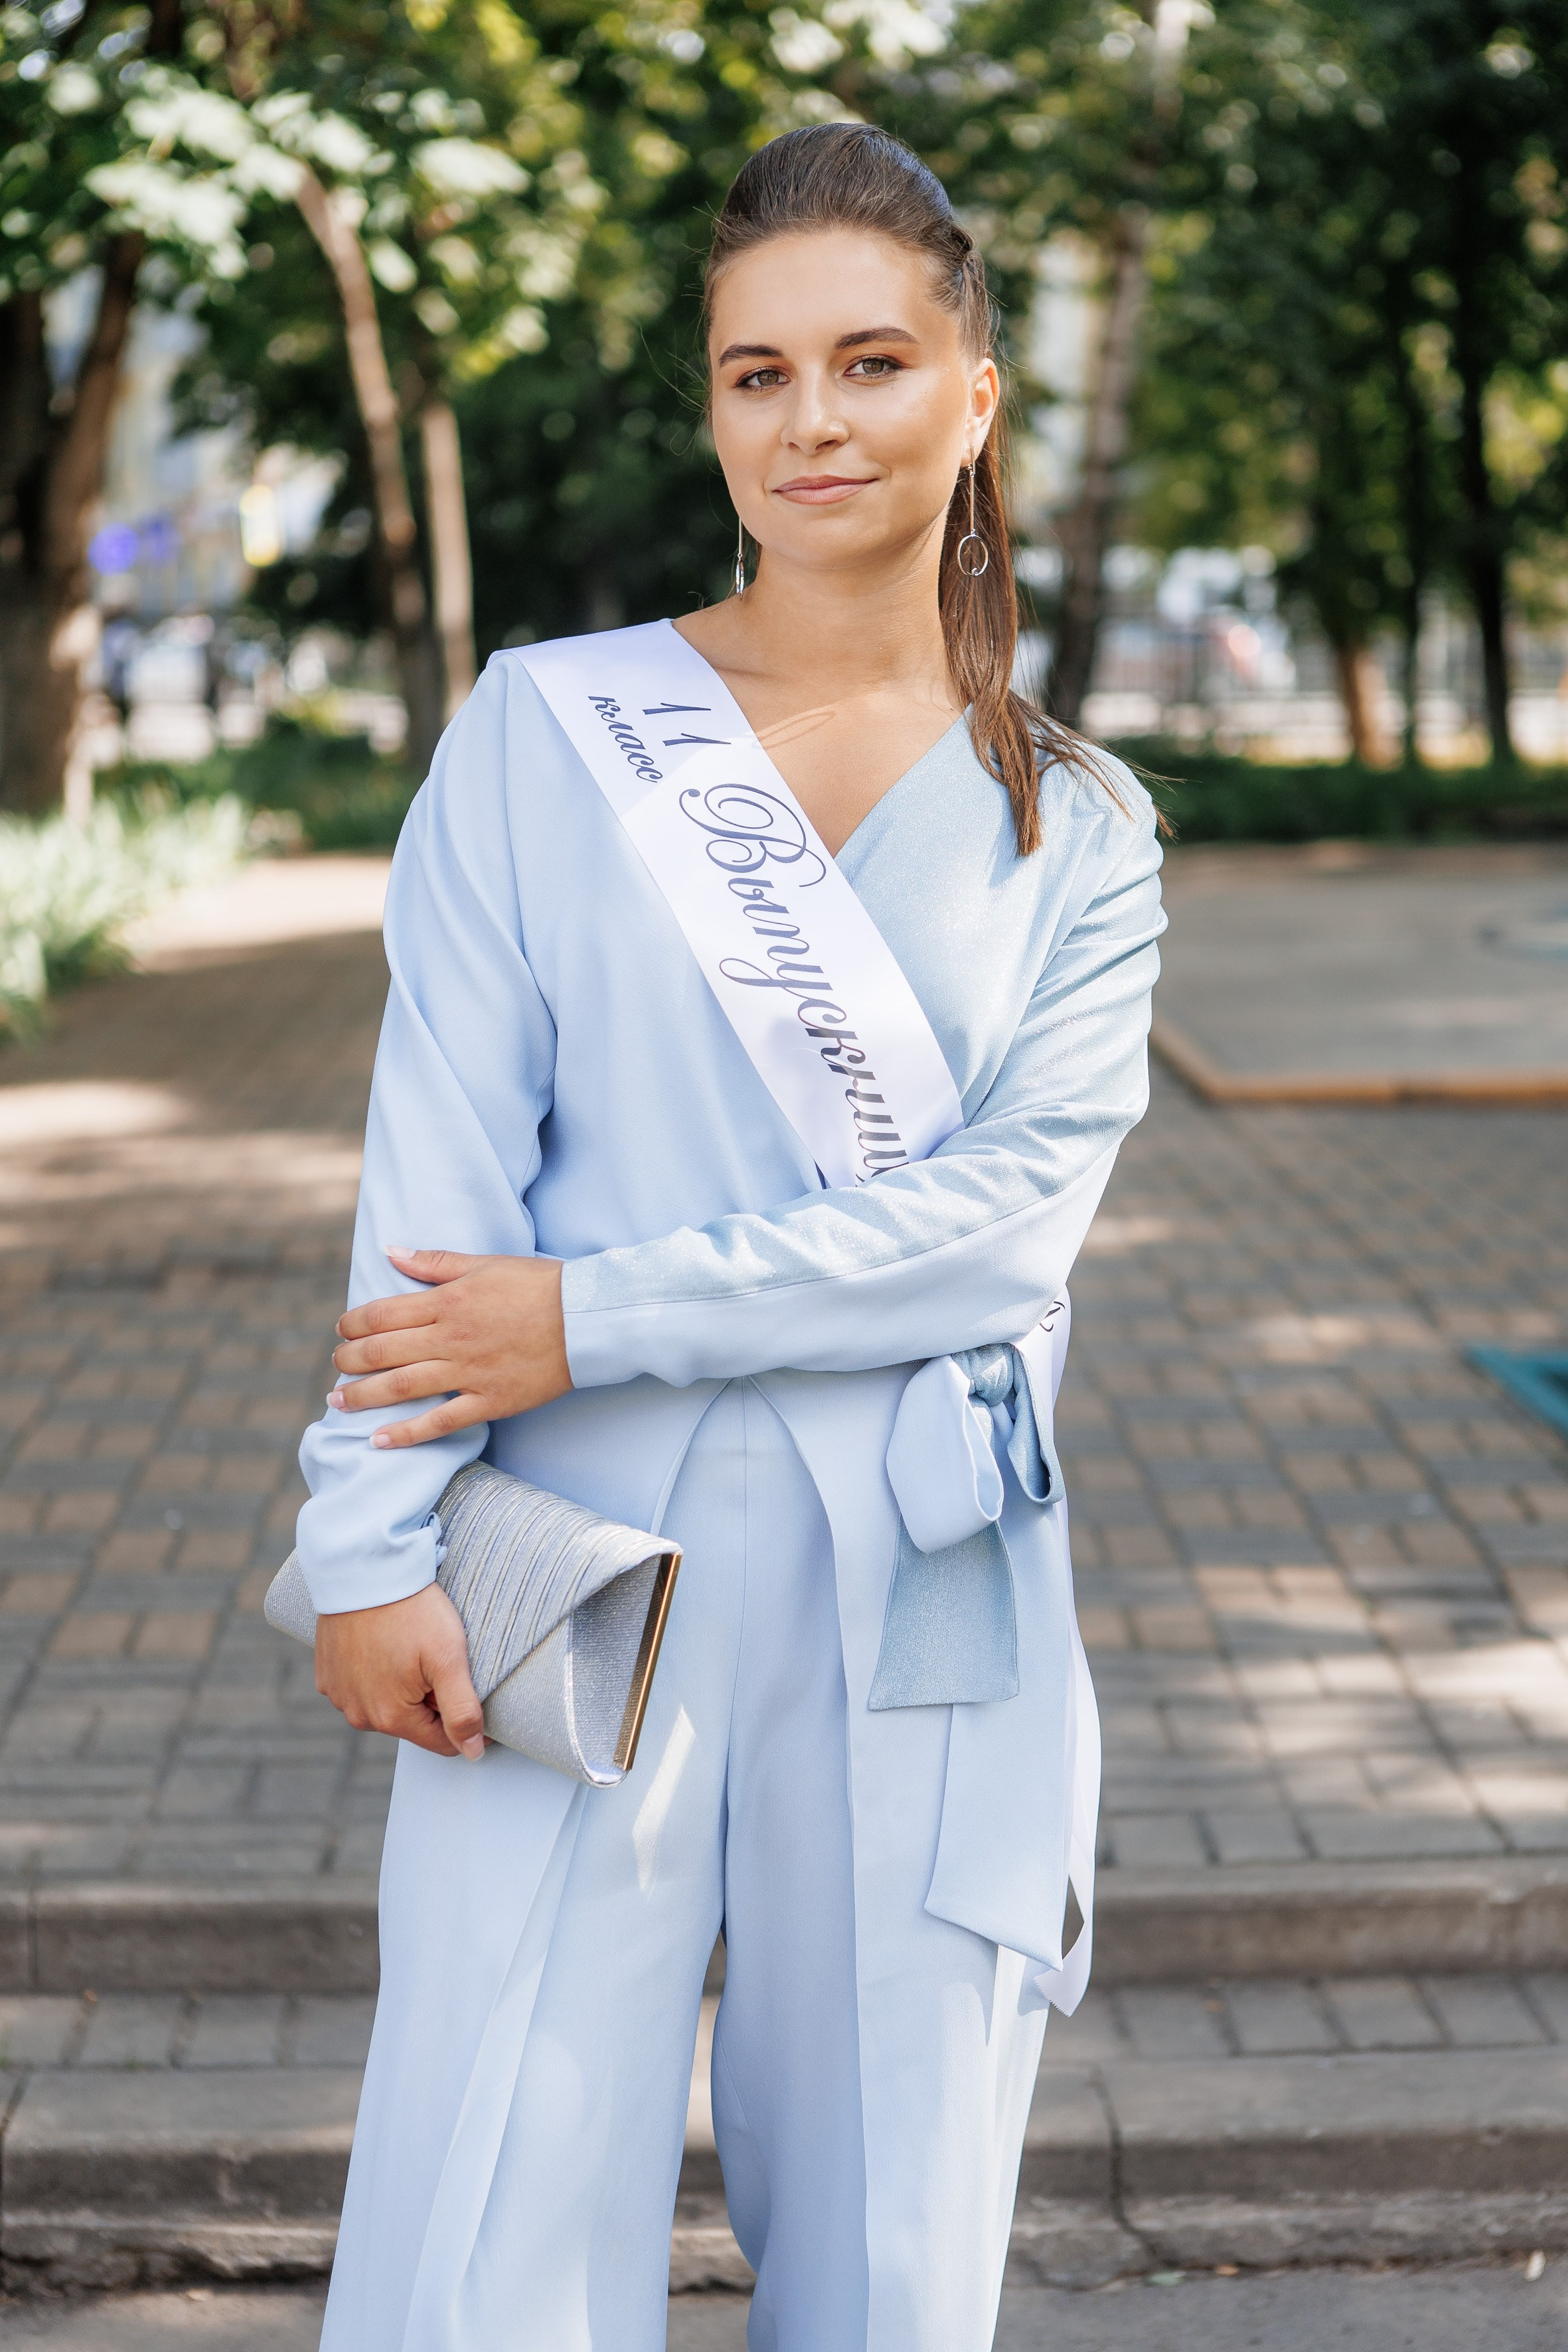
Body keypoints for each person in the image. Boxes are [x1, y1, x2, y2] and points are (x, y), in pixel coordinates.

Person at [298, 121, 1165, 2352]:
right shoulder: (547, 735)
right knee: (495, 2176)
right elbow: (432, 1184)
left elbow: (1001, 1231)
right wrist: (366, 1542)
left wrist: (591, 1315)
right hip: (573, 1557)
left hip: (930, 1572)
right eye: (754, 374)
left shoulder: (1076, 827)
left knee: (895, 2211)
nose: (811, 422)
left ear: (974, 397)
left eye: (869, 363)